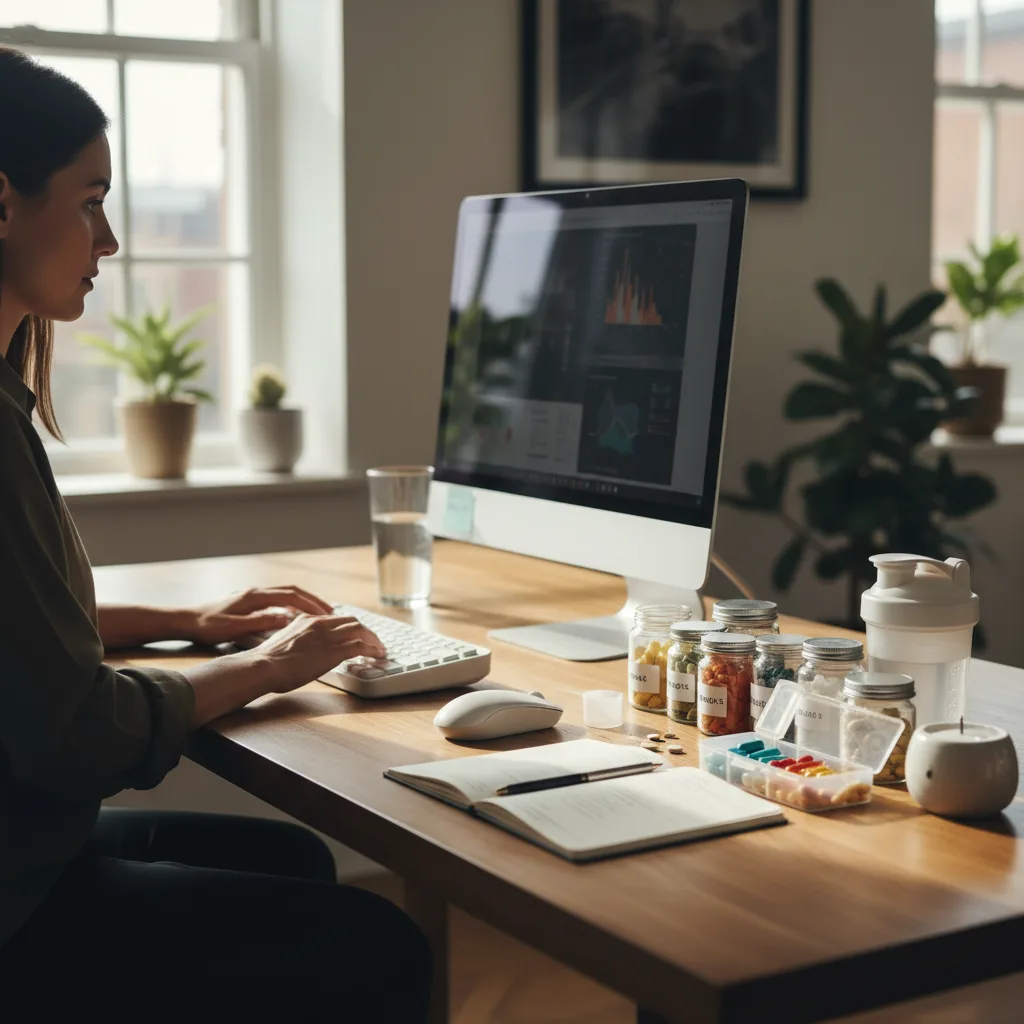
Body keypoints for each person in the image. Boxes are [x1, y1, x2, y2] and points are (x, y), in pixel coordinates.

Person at [0, 47, 432, 1021]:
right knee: (380, 946)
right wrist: (267, 666)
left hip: (26, 853)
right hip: (16, 910)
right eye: (88, 200)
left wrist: (191, 620)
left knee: (292, 856)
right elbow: (73, 729)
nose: (105, 240)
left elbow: (20, 634)